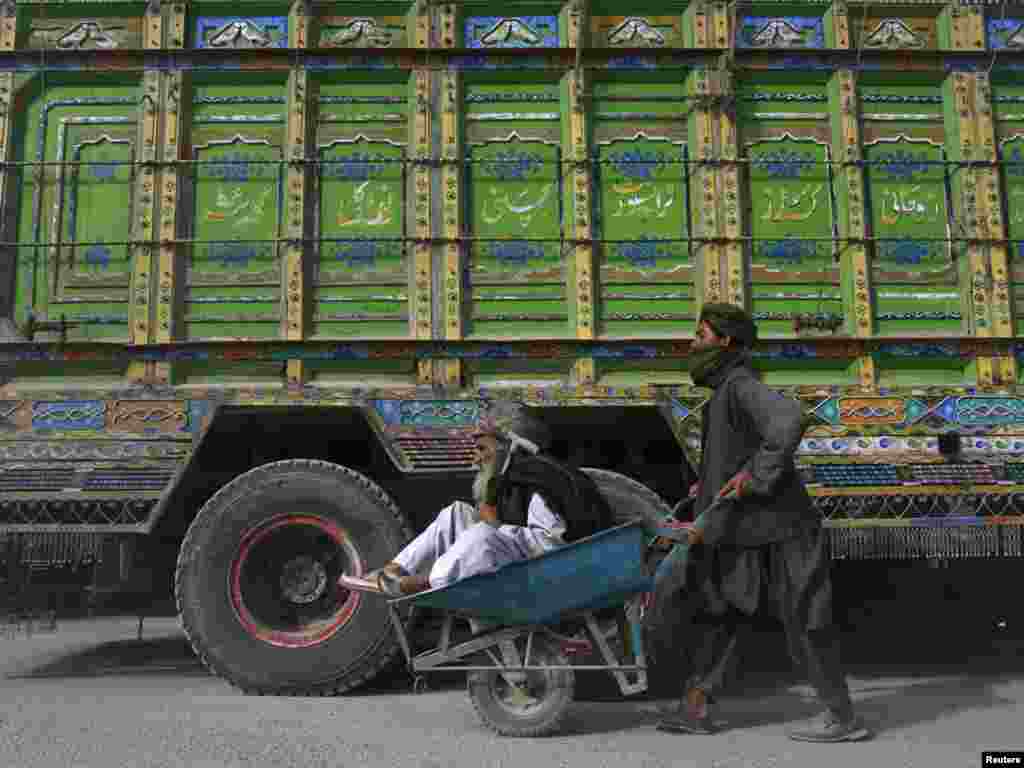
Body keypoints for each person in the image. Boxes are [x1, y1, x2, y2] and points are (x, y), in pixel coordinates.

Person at [655, 303, 870, 743]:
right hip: (743, 530)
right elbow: (737, 455)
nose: (692, 344)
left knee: (806, 617)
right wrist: (710, 486)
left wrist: (755, 476)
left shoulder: (740, 385)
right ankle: (696, 708)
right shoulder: (724, 393)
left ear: (724, 342)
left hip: (784, 526)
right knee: (723, 611)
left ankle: (841, 717)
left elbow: (789, 422)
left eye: (700, 335)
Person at [350, 401, 616, 597]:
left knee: (480, 536)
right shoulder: (510, 478)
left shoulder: (539, 477)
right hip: (521, 563)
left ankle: (419, 584)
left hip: (556, 575)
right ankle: (393, 570)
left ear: (509, 447)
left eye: (482, 448)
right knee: (457, 513)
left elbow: (550, 545)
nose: (475, 458)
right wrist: (494, 522)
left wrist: (496, 528)